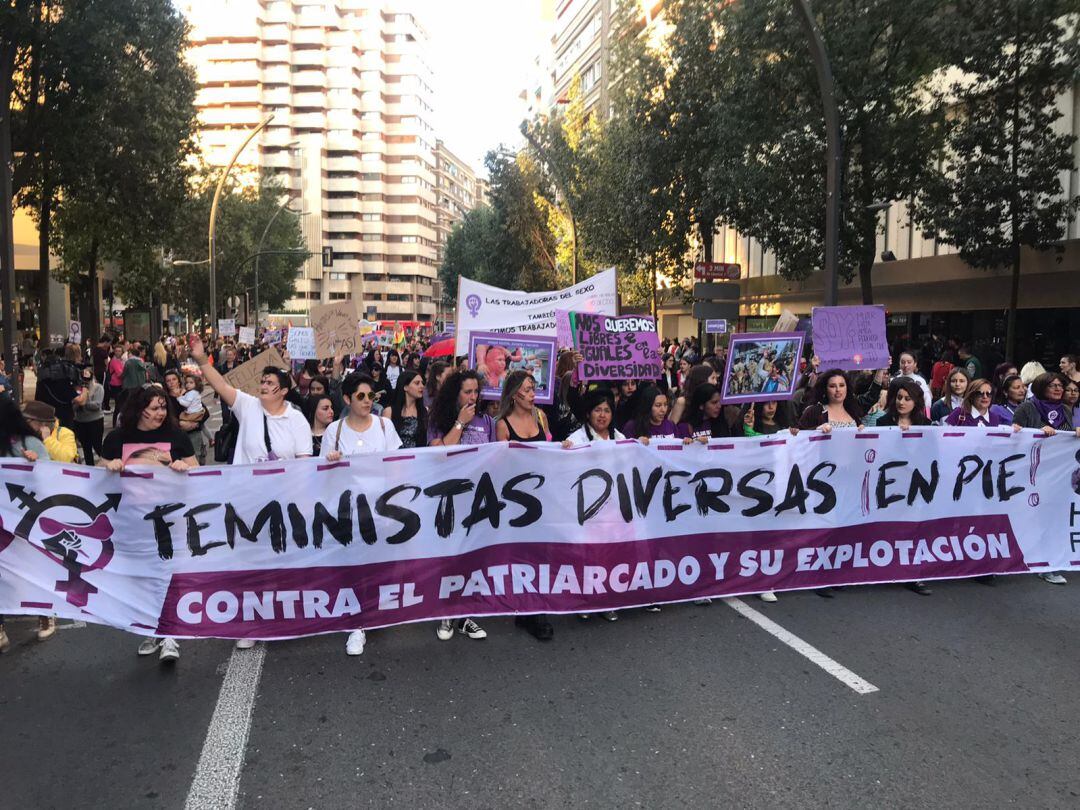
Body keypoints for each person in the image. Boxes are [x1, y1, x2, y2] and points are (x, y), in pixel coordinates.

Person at [99, 385, 197, 663]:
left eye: (163, 407)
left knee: (167, 574)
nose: (161, 413)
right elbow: (97, 474)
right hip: (132, 521)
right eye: (154, 408)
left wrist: (180, 466)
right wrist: (109, 466)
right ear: (139, 409)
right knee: (142, 577)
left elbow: (200, 472)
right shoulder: (118, 438)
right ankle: (152, 628)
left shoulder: (175, 436)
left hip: (170, 519)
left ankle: (170, 635)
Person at [320, 373, 403, 656]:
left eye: (371, 396)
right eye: (361, 396)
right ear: (347, 399)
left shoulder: (384, 425)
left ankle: (371, 612)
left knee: (378, 565)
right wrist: (331, 462)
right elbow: (321, 475)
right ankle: (358, 623)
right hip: (348, 510)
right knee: (354, 566)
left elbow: (396, 466)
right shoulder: (335, 431)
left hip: (380, 509)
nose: (368, 401)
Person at [427, 370, 491, 642]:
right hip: (447, 498)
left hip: (476, 499)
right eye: (467, 392)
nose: (473, 397)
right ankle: (446, 610)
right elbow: (439, 453)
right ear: (455, 394)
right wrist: (460, 424)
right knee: (448, 555)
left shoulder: (487, 420)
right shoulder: (438, 420)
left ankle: (465, 613)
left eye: (476, 391)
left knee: (471, 556)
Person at [190, 335, 313, 467]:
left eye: (270, 383)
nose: (264, 386)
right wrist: (201, 359)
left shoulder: (297, 419)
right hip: (245, 486)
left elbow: (303, 465)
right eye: (263, 382)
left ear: (284, 391)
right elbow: (221, 386)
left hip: (281, 487)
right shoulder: (247, 405)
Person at [1012, 372, 1080, 586]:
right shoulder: (1027, 408)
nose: (1059, 389)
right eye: (1053, 385)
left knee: (1053, 520)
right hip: (1032, 475)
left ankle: (1048, 564)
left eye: (1061, 385)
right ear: (1042, 387)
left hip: (1058, 477)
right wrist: (1035, 432)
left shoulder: (1066, 411)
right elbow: (1014, 439)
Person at [562, 387, 624, 622]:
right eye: (597, 410)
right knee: (587, 556)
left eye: (607, 410)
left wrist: (643, 445)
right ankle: (585, 600)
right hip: (586, 509)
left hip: (613, 509)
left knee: (610, 556)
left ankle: (607, 600)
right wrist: (565, 450)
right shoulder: (577, 439)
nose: (602, 415)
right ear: (588, 413)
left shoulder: (618, 438)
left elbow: (634, 458)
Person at [0, 399, 52, 651]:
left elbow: (53, 477)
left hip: (25, 521)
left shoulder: (28, 443)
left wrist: (36, 464)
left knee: (30, 569)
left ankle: (45, 614)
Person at [797, 370, 864, 433]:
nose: (838, 389)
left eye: (841, 385)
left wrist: (862, 430)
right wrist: (816, 430)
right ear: (825, 389)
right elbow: (797, 436)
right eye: (832, 386)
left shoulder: (852, 411)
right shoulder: (813, 411)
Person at [495, 370, 551, 444]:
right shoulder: (502, 425)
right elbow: (500, 453)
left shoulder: (540, 416)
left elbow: (550, 447)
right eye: (527, 391)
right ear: (514, 394)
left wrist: (562, 446)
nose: (533, 394)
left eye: (533, 390)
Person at [623, 385, 690, 443]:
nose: (663, 410)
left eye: (665, 405)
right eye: (658, 405)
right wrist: (636, 443)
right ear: (648, 406)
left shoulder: (671, 425)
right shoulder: (632, 427)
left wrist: (687, 443)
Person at [383, 370, 428, 449]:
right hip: (395, 458)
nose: (422, 386)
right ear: (405, 387)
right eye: (417, 383)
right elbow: (385, 442)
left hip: (418, 458)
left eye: (422, 383)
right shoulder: (389, 412)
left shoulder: (424, 411)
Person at [73, 366, 105, 465]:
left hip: (95, 421)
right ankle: (90, 468)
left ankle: (107, 463)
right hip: (80, 421)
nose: (85, 382)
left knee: (97, 446)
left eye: (87, 380)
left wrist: (84, 401)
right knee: (86, 448)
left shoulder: (98, 388)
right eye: (83, 380)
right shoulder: (77, 389)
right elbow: (73, 405)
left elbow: (97, 405)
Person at [894, 352, 932, 416]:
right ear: (899, 364)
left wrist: (927, 414)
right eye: (903, 362)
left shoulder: (920, 380)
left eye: (909, 362)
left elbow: (927, 398)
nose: (905, 365)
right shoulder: (894, 380)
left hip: (916, 415)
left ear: (915, 364)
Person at [105, 343, 125, 418]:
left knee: (120, 404)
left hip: (120, 383)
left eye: (119, 351)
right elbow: (119, 374)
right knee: (118, 404)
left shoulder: (121, 360)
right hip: (116, 384)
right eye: (116, 351)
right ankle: (115, 421)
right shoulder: (114, 361)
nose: (118, 352)